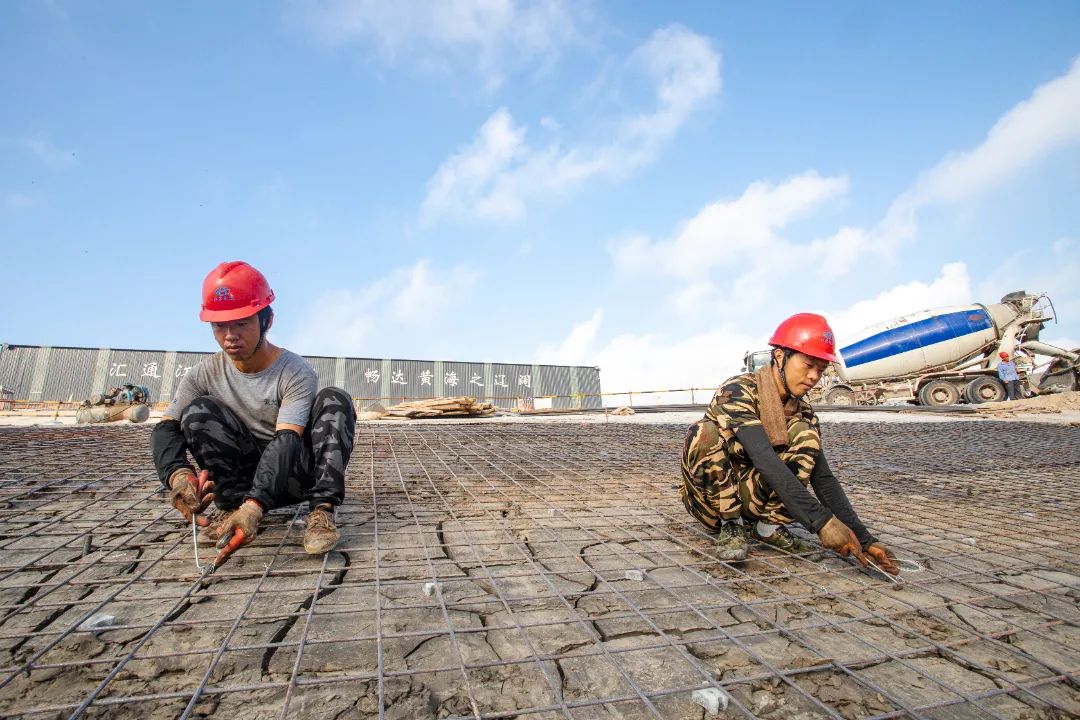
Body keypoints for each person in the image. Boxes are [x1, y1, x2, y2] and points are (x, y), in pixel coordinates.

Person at [150, 261, 356, 564]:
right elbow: (166, 427)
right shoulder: (202, 375)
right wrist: (177, 475)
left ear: (267, 320)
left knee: (335, 400)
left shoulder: (295, 372)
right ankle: (233, 508)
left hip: (294, 475)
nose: (230, 336)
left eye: (241, 323)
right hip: (244, 480)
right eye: (219, 326)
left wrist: (255, 506)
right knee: (196, 412)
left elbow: (287, 440)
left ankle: (321, 511)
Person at [680, 313, 898, 574]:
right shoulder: (738, 391)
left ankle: (768, 528)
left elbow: (823, 478)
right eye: (808, 365)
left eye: (821, 370)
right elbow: (763, 457)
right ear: (780, 357)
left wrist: (864, 539)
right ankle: (732, 525)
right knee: (703, 432)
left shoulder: (803, 412)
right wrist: (821, 521)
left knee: (806, 434)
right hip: (713, 504)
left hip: (753, 496)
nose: (814, 376)